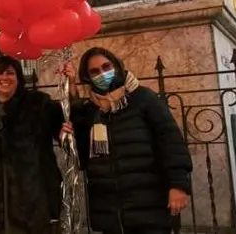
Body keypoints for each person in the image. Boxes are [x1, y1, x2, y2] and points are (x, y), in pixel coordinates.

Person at [61, 47, 193, 234]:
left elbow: (170, 142)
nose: (102, 74)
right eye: (95, 72)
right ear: (88, 77)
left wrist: (178, 185)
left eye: (106, 67)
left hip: (149, 209)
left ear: (116, 66)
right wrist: (68, 138)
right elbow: (84, 158)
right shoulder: (92, 110)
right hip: (110, 214)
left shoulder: (142, 98)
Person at [0, 55, 70, 234]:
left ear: (18, 77)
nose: (4, 78)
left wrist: (72, 86)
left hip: (33, 199)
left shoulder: (38, 104)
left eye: (10, 73)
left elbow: (66, 124)